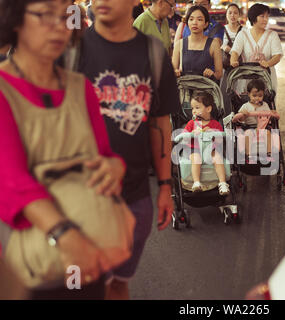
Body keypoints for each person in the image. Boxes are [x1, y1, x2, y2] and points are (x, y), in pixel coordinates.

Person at [0, 0, 128, 298]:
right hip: (32, 258)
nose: (59, 26)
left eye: (66, 16)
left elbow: (103, 155)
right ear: (15, 19)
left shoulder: (79, 87)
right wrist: (66, 237)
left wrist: (115, 167)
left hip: (89, 247)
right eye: (45, 14)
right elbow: (11, 180)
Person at [75, 0, 180, 299]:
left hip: (134, 200)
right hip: (78, 201)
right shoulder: (69, 52)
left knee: (119, 283)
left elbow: (160, 125)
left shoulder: (154, 54)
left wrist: (164, 186)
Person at [183, 92, 230, 195]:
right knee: (196, 158)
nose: (194, 111)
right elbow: (184, 138)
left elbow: (220, 141)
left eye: (197, 107)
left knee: (217, 157)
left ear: (208, 109)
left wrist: (213, 133)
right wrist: (191, 134)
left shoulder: (215, 124)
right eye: (192, 108)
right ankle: (196, 182)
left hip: (210, 150)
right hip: (194, 149)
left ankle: (222, 183)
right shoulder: (192, 123)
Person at [230, 3, 283, 92]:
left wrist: (268, 63)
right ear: (254, 17)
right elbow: (235, 51)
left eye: (267, 16)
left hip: (267, 79)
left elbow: (277, 55)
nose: (265, 19)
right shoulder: (243, 34)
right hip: (246, 79)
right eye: (262, 16)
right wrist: (233, 61)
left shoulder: (272, 35)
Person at [172, 6, 223, 81]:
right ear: (187, 22)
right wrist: (175, 72)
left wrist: (212, 74)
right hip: (184, 89)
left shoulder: (214, 44)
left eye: (199, 19)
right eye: (191, 19)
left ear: (206, 24)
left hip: (206, 89)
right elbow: (172, 70)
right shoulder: (179, 44)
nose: (194, 23)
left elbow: (219, 73)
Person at [233, 79, 279, 162]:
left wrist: (272, 113)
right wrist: (243, 115)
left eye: (260, 95)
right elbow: (240, 119)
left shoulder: (265, 105)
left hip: (262, 127)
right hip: (249, 127)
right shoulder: (245, 106)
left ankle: (269, 153)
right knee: (248, 133)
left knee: (268, 133)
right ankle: (249, 155)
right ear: (248, 94)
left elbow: (269, 116)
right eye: (254, 95)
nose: (257, 98)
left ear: (263, 95)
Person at [220, 3, 243, 114]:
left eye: (235, 13)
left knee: (240, 92)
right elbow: (217, 44)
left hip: (241, 66)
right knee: (225, 91)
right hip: (226, 67)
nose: (232, 15)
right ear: (226, 14)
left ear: (239, 15)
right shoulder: (221, 30)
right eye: (230, 12)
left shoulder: (244, 30)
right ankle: (227, 116)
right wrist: (224, 47)